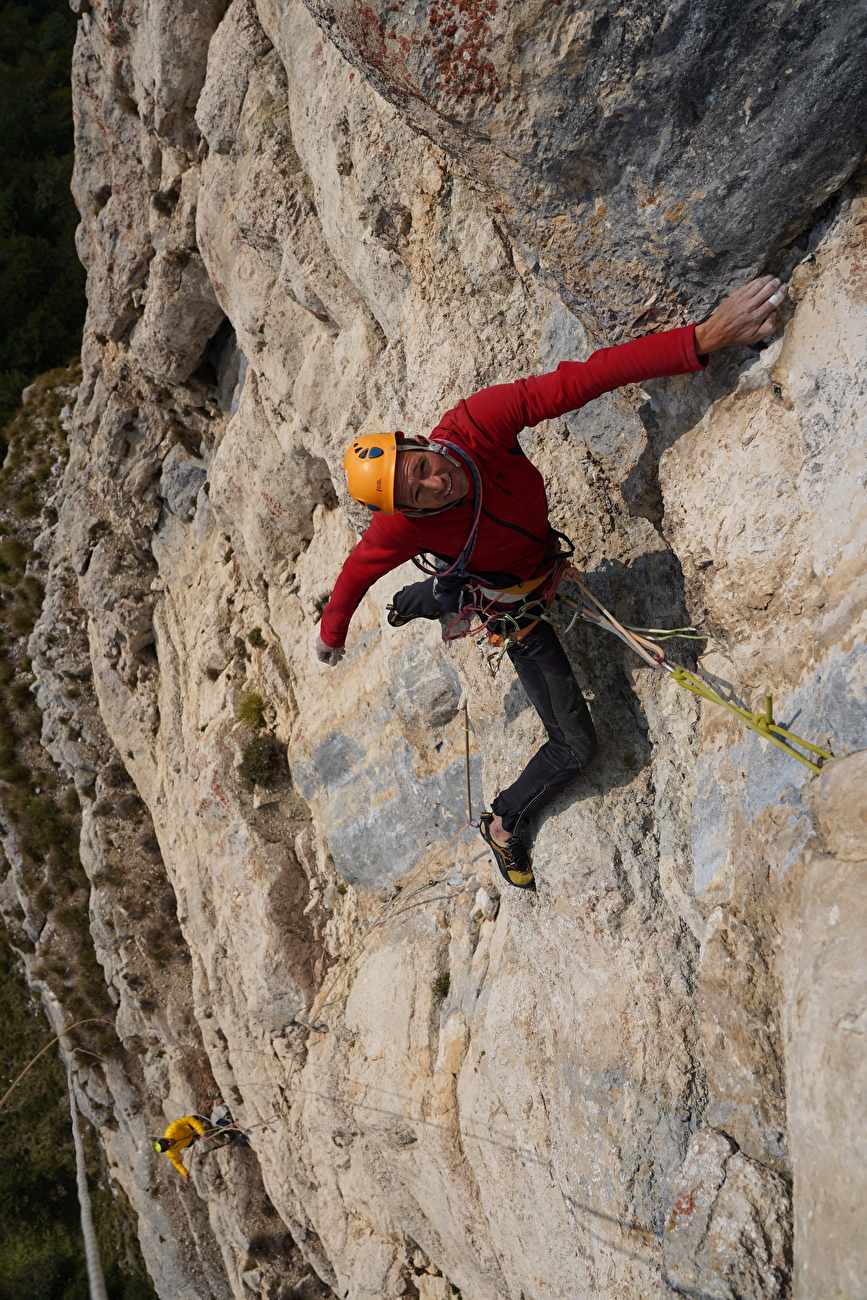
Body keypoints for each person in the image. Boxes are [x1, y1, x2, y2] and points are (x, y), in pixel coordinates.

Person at [315, 277, 788, 889]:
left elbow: (587, 378)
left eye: (424, 468)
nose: (436, 486)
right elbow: (355, 572)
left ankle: (426, 598)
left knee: (446, 589)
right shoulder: (399, 531)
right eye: (417, 495)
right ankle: (504, 820)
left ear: (420, 442)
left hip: (519, 563)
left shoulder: (478, 424)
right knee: (575, 748)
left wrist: (702, 339)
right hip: (513, 604)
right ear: (404, 512)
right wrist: (332, 632)